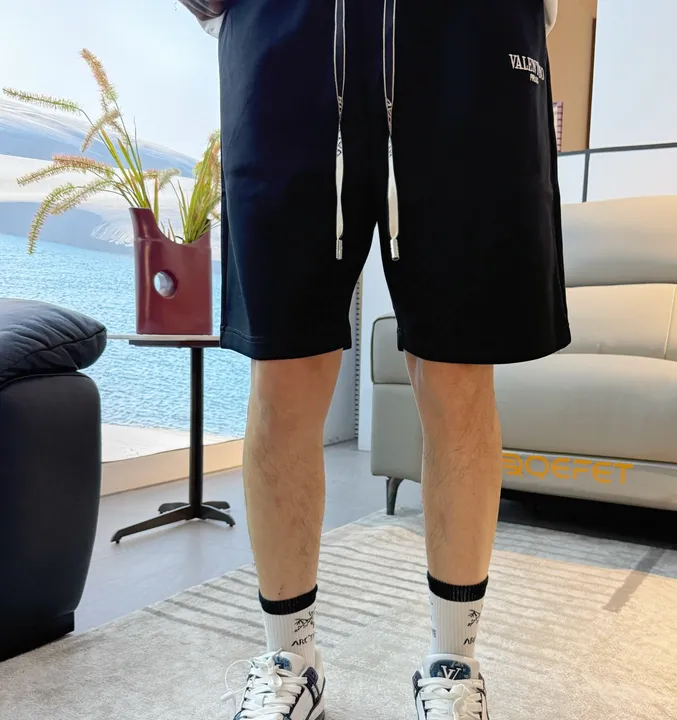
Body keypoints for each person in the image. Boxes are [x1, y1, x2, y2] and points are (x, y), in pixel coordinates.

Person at [179, 1, 568, 718]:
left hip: (467, 31)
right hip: (285, 28)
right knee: (284, 368)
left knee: (456, 370)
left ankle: (454, 666)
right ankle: (289, 659)